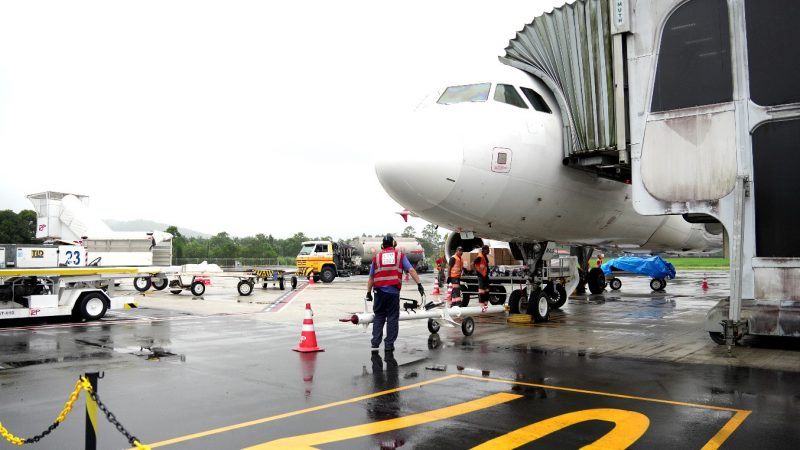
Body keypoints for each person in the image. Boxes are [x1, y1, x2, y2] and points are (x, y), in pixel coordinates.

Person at [365, 234, 424, 352]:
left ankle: (375, 343)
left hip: (379, 292)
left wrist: (368, 292)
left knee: (379, 316)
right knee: (392, 318)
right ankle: (389, 344)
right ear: (393, 244)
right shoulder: (400, 256)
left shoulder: (376, 257)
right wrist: (419, 284)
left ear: (382, 245)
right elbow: (411, 270)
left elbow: (371, 277)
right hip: (393, 292)